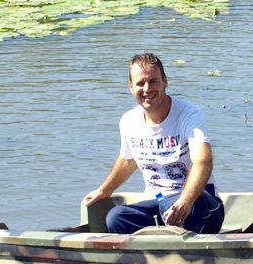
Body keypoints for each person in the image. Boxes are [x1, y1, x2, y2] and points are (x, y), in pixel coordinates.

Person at [84, 52, 225, 234]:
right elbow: (128, 160)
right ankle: (157, 244)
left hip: (198, 202)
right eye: (140, 83)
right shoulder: (128, 121)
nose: (147, 88)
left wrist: (185, 202)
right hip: (158, 203)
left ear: (165, 81)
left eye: (153, 81)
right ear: (131, 87)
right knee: (116, 217)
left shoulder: (189, 114)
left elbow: (203, 161)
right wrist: (104, 190)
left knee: (196, 206)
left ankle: (183, 243)